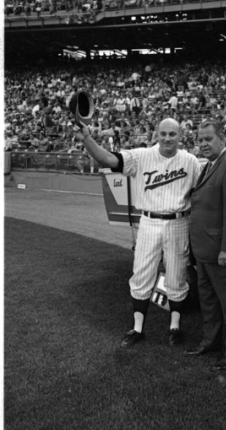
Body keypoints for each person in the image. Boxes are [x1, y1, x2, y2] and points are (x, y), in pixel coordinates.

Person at [74, 116, 201, 347]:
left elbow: (202, 194)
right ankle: (137, 329)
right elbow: (109, 159)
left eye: (172, 134)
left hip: (179, 222)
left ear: (180, 136)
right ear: (156, 135)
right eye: (163, 133)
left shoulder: (190, 161)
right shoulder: (142, 156)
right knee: (141, 273)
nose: (167, 138)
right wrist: (88, 140)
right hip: (149, 221)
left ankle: (175, 327)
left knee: (177, 276)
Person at [184, 119, 226, 371]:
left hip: (223, 253)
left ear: (222, 138)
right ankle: (210, 342)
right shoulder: (209, 166)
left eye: (208, 139)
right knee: (209, 301)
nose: (203, 144)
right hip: (204, 251)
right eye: (200, 140)